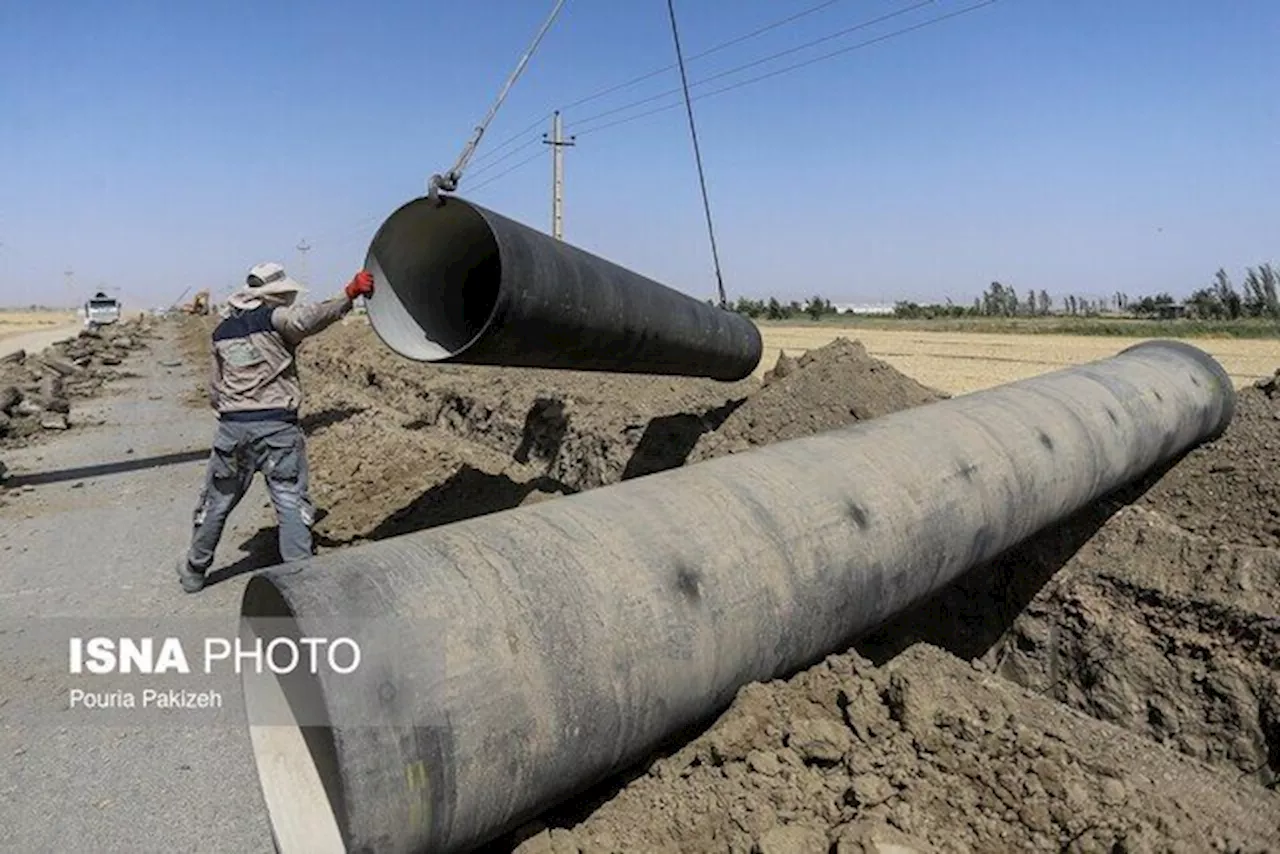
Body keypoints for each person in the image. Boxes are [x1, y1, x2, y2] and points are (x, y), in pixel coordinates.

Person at [177, 261, 374, 593]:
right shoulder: (275, 319)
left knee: (218, 501)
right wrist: (349, 294)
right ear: (273, 295)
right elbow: (307, 318)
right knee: (289, 500)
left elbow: (215, 388)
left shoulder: (221, 331)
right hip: (276, 430)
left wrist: (232, 415)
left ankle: (195, 570)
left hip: (232, 429)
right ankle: (302, 582)